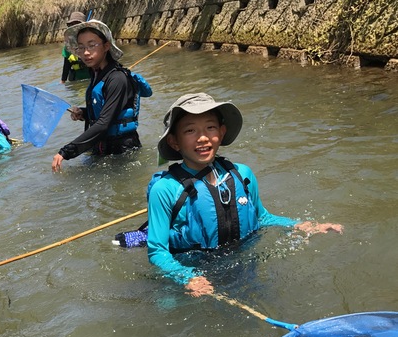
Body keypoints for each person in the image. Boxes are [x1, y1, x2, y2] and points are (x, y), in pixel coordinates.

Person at [144, 93, 343, 297]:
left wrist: (301, 225)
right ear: (174, 141)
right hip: (189, 273)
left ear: (221, 132)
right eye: (190, 130)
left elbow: (263, 217)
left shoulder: (243, 175)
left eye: (210, 127)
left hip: (243, 266)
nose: (202, 137)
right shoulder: (165, 189)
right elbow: (157, 251)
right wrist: (187, 277)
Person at [51, 20, 151, 172]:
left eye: (92, 45)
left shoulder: (117, 79)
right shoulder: (97, 74)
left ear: (106, 46)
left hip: (122, 151)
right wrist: (84, 113)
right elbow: (106, 111)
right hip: (103, 146)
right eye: (81, 47)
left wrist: (66, 151)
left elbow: (104, 122)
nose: (85, 52)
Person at [60, 11, 90, 83]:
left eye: (77, 25)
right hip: (77, 80)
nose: (75, 28)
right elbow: (66, 66)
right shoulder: (68, 46)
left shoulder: (91, 42)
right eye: (72, 25)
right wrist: (63, 80)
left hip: (91, 78)